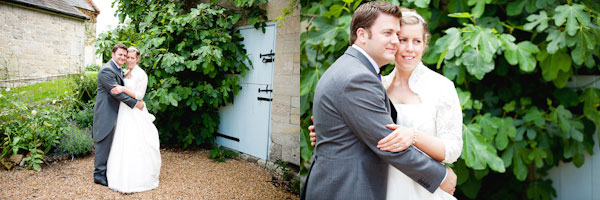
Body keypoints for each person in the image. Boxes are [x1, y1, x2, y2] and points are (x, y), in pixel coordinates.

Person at [301, 2, 456, 200]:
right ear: (362, 35)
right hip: (349, 188)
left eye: (397, 35)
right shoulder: (358, 78)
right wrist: (441, 176)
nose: (396, 42)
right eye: (389, 33)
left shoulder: (357, 70)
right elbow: (386, 141)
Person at [106, 46, 161, 193]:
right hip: (124, 111)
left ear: (137, 59)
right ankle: (120, 175)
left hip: (135, 111)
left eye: (132, 58)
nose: (129, 60)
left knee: (136, 141)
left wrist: (123, 89)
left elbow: (140, 96)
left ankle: (137, 178)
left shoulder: (141, 74)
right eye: (127, 57)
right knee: (122, 141)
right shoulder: (125, 72)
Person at [93, 44, 144, 187]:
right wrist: (136, 103)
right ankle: (98, 174)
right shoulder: (107, 70)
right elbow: (118, 94)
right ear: (113, 54)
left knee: (114, 141)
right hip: (106, 111)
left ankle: (109, 170)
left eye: (125, 55)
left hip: (118, 112)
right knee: (104, 140)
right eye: (120, 54)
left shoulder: (119, 69)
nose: (123, 57)